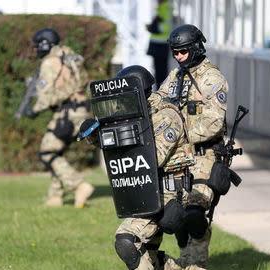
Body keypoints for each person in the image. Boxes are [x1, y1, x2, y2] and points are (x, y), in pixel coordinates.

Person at [106, 66, 205, 270]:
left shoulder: (165, 116)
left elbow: (153, 158)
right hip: (148, 190)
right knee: (149, 257)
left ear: (139, 92)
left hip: (169, 192)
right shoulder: (135, 114)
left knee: (127, 240)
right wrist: (95, 132)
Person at [152, 24, 229, 268]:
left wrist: (181, 136)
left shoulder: (212, 78)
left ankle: (196, 264)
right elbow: (160, 102)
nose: (178, 57)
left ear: (196, 48)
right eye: (175, 52)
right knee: (175, 217)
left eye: (183, 51)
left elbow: (214, 123)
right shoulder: (175, 77)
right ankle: (184, 260)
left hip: (204, 156)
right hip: (177, 159)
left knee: (196, 214)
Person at [24, 28, 94, 208]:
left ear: (44, 44)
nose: (35, 50)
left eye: (37, 46)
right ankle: (55, 197)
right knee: (56, 151)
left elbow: (46, 96)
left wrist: (35, 109)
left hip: (67, 114)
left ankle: (79, 186)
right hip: (82, 111)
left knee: (47, 153)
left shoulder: (50, 62)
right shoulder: (69, 56)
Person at [146, 0, 171, 88]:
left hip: (161, 45)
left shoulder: (166, 8)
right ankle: (160, 90)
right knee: (159, 71)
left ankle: (162, 91)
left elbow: (166, 27)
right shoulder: (162, 8)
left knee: (161, 72)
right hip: (158, 44)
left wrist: (152, 27)